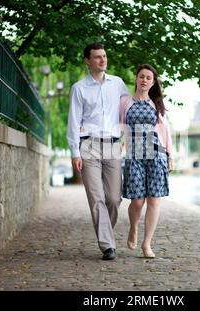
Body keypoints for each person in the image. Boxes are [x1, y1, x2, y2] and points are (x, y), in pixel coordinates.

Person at [67, 43, 129, 260]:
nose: (102, 60)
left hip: (113, 145)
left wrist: (125, 135)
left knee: (114, 198)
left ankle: (106, 233)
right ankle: (107, 245)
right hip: (88, 146)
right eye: (97, 57)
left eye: (104, 56)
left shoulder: (118, 84)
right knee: (97, 198)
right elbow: (73, 122)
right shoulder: (79, 88)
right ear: (87, 60)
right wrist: (75, 152)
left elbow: (126, 111)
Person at [120, 64, 173, 258]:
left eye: (148, 78)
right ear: (136, 78)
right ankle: (133, 227)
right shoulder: (125, 102)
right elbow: (119, 127)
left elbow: (166, 132)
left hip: (156, 155)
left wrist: (170, 156)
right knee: (137, 201)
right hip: (134, 156)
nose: (144, 80)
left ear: (153, 82)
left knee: (154, 200)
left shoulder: (157, 103)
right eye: (141, 76)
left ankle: (147, 243)